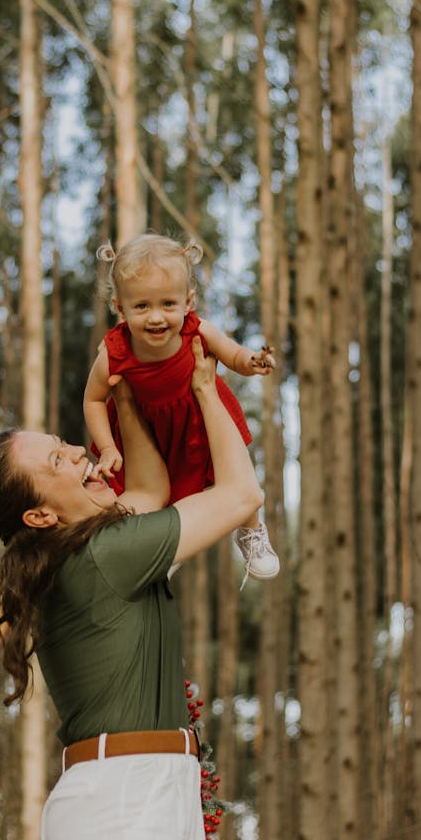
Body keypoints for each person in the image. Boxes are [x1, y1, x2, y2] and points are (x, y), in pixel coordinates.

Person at [0, 338, 263, 840]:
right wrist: (204, 386)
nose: (80, 452)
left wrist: (125, 394)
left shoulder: (82, 554)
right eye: (58, 461)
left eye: (65, 444)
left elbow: (149, 491)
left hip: (136, 793)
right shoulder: (104, 556)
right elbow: (241, 495)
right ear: (40, 515)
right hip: (126, 799)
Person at [83, 232, 279, 583]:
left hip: (198, 420)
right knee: (158, 489)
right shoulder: (114, 353)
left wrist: (252, 361)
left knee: (230, 470)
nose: (156, 317)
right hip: (150, 430)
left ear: (188, 301)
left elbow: (231, 354)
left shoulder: (197, 331)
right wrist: (109, 447)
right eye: (142, 306)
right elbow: (93, 399)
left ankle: (251, 529)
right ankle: (170, 543)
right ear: (120, 308)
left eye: (168, 304)